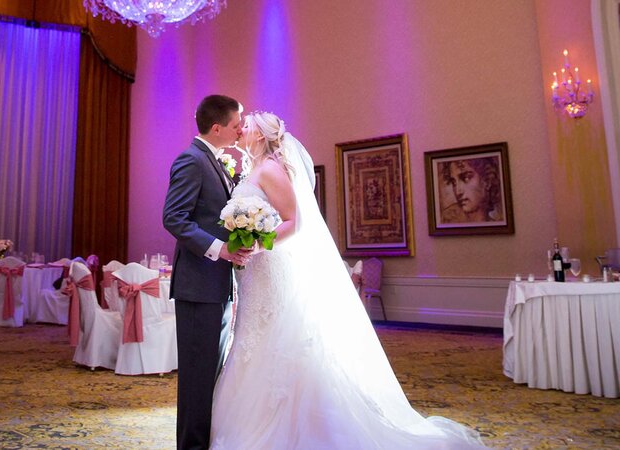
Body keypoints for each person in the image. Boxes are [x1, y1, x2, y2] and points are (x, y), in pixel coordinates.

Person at [209, 111, 487, 449]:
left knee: (279, 342)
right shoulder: (252, 170)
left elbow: (294, 222)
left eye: (246, 126)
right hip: (254, 276)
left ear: (262, 136)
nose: (240, 130)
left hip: (270, 269)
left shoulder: (270, 169)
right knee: (251, 340)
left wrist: (258, 242)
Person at [162, 94, 254, 450]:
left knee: (210, 376)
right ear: (217, 128)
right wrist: (222, 251)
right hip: (197, 287)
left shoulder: (216, 161)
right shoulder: (191, 160)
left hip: (215, 287)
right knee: (197, 380)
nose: (240, 130)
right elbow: (174, 218)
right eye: (236, 125)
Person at [440, 158, 502, 223]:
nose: (458, 192)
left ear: (487, 181)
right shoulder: (447, 219)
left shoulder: (498, 223)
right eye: (454, 183)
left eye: (466, 178)